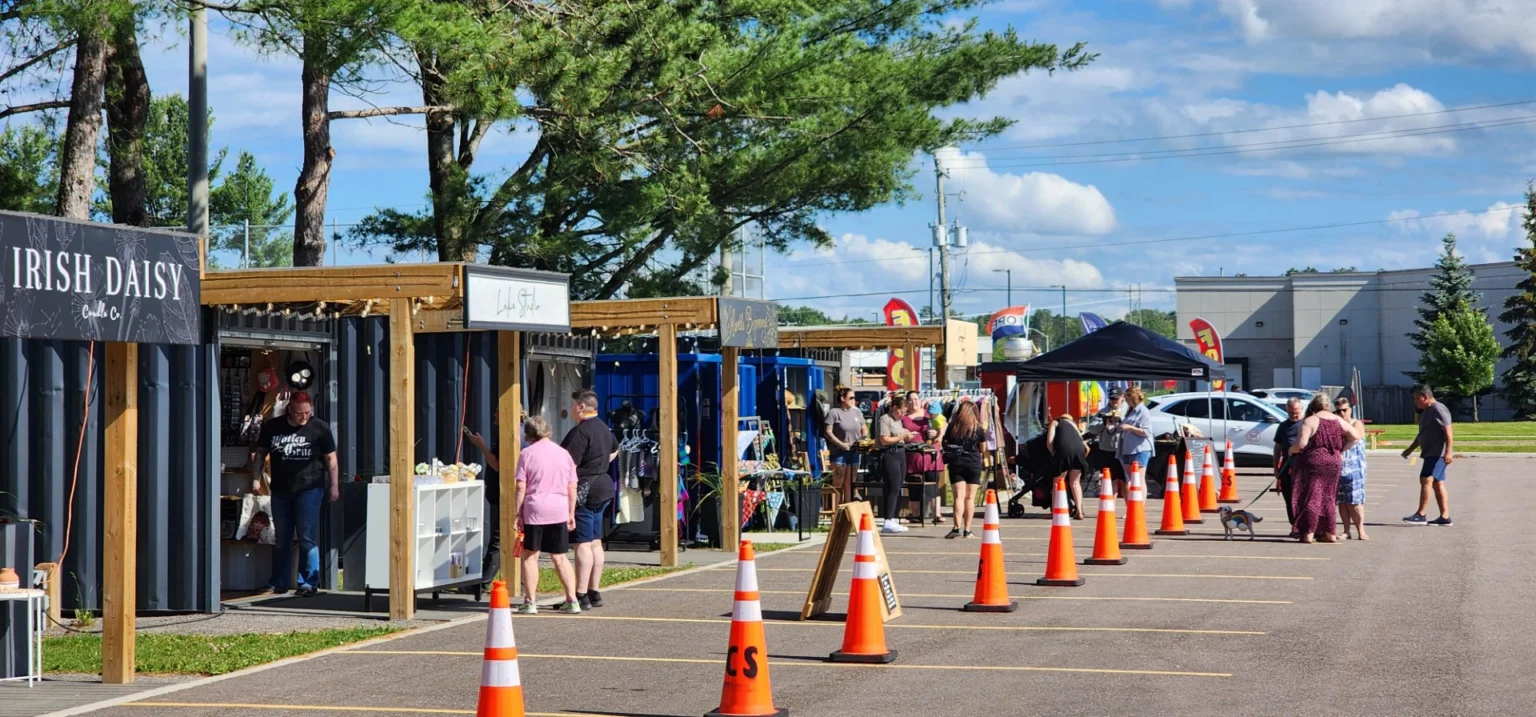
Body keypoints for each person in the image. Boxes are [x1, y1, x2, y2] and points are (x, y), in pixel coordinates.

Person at [251, 391, 338, 598]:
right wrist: (255, 478)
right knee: (282, 537)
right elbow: (260, 454)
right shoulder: (273, 427)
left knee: (307, 536)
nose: (304, 417)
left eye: (307, 413)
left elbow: (331, 459)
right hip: (281, 489)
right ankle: (278, 582)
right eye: (299, 413)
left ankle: (308, 583)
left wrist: (334, 486)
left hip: (309, 488)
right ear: (290, 409)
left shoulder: (320, 428)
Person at [514, 416, 581, 614]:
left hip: (535, 509)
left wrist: (518, 513)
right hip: (559, 509)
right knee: (559, 556)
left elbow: (520, 486)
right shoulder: (563, 453)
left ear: (528, 434)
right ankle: (572, 599)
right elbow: (572, 486)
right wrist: (571, 512)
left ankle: (530, 601)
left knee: (530, 555)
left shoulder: (527, 454)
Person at [561, 390, 618, 611]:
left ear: (581, 407)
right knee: (595, 541)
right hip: (603, 485)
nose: (571, 409)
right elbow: (615, 449)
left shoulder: (580, 432)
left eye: (573, 405)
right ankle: (594, 591)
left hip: (585, 489)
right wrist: (599, 464)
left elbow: (569, 465)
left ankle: (581, 594)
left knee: (581, 543)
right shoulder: (604, 428)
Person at [1288, 395, 1362, 543]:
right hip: (1333, 462)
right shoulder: (1338, 420)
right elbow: (1355, 436)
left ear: (1313, 406)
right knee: (1329, 497)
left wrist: (1291, 451)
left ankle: (1309, 532)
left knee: (1311, 497)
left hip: (1313, 462)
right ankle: (1329, 533)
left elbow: (1301, 444)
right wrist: (1341, 450)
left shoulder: (1311, 420)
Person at [1402, 384, 1454, 526]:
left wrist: (1449, 452)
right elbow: (1422, 434)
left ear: (1424, 397)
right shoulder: (1426, 411)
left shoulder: (1438, 409)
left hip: (1437, 454)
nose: (1415, 402)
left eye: (1416, 399)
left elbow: (1448, 431)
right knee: (1437, 483)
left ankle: (1421, 514)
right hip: (1430, 453)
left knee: (1425, 479)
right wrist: (1410, 449)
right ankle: (1445, 517)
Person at [465, 415, 503, 593]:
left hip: (503, 497)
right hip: (497, 494)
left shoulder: (508, 436)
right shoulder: (508, 434)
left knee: (498, 540)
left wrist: (481, 445)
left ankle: (482, 583)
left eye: (498, 411)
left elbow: (497, 464)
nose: (494, 415)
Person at [943, 400, 987, 539]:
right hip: (974, 464)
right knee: (970, 498)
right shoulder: (978, 429)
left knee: (959, 497)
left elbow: (945, 443)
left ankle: (956, 528)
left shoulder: (953, 427)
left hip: (957, 464)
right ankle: (967, 530)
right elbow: (983, 448)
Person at [876, 395, 917, 534]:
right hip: (890, 454)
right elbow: (885, 439)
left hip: (900, 453)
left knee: (898, 486)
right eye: (901, 411)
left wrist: (907, 436)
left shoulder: (898, 421)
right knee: (892, 487)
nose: (903, 414)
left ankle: (892, 518)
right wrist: (902, 436)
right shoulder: (885, 419)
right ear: (894, 408)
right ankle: (888, 519)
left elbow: (899, 437)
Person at [900, 391, 942, 526]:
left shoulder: (929, 414)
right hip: (912, 456)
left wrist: (937, 433)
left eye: (916, 399)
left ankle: (936, 513)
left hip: (930, 455)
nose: (914, 402)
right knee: (914, 485)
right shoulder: (903, 418)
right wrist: (904, 435)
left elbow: (943, 424)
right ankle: (916, 514)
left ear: (920, 400)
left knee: (933, 483)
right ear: (907, 402)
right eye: (911, 400)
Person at [823, 387, 867, 506]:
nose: (854, 400)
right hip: (839, 451)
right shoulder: (834, 412)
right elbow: (828, 431)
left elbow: (864, 428)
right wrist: (840, 444)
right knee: (838, 480)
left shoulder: (856, 412)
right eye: (851, 397)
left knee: (851, 481)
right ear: (843, 398)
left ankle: (848, 508)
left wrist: (863, 439)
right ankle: (835, 509)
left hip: (854, 450)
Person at [1334, 396, 1369, 540]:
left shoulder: (1356, 423)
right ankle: (1346, 530)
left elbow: (1354, 438)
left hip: (1355, 468)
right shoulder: (1337, 424)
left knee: (1355, 501)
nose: (1342, 413)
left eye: (1345, 410)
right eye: (1338, 411)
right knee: (1342, 501)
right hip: (1340, 467)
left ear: (1350, 409)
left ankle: (1361, 530)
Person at [1045, 414, 1091, 520]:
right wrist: (1081, 459)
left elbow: (1049, 442)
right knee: (1075, 483)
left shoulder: (1055, 423)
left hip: (1063, 451)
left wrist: (1054, 455)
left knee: (1058, 482)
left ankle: (1056, 511)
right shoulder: (1074, 426)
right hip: (1079, 451)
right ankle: (1079, 512)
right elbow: (1087, 448)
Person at [1271, 397, 1305, 527]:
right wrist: (1276, 468)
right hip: (1287, 467)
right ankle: (1294, 525)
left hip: (1304, 467)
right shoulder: (1283, 426)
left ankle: (1305, 526)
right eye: (1290, 412)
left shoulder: (1307, 423)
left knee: (1303, 498)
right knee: (1289, 499)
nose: (1294, 415)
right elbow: (1278, 447)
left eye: (1296, 411)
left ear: (1302, 409)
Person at [1117, 387, 1154, 500]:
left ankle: (1140, 507)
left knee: (1139, 479)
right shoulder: (1131, 411)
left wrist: (1130, 428)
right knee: (1132, 479)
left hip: (1140, 449)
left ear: (1133, 398)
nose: (1126, 402)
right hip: (1127, 448)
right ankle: (1133, 507)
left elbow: (1146, 432)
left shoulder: (1143, 411)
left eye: (1127, 399)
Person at [1089, 390, 1127, 498]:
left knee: (1125, 481)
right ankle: (1111, 508)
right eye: (1112, 399)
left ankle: (1129, 509)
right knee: (1111, 480)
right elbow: (1091, 428)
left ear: (1122, 398)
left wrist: (1120, 420)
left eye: (1116, 399)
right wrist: (1104, 423)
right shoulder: (1102, 412)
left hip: (1122, 450)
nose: (1114, 401)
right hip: (1106, 450)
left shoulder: (1128, 410)